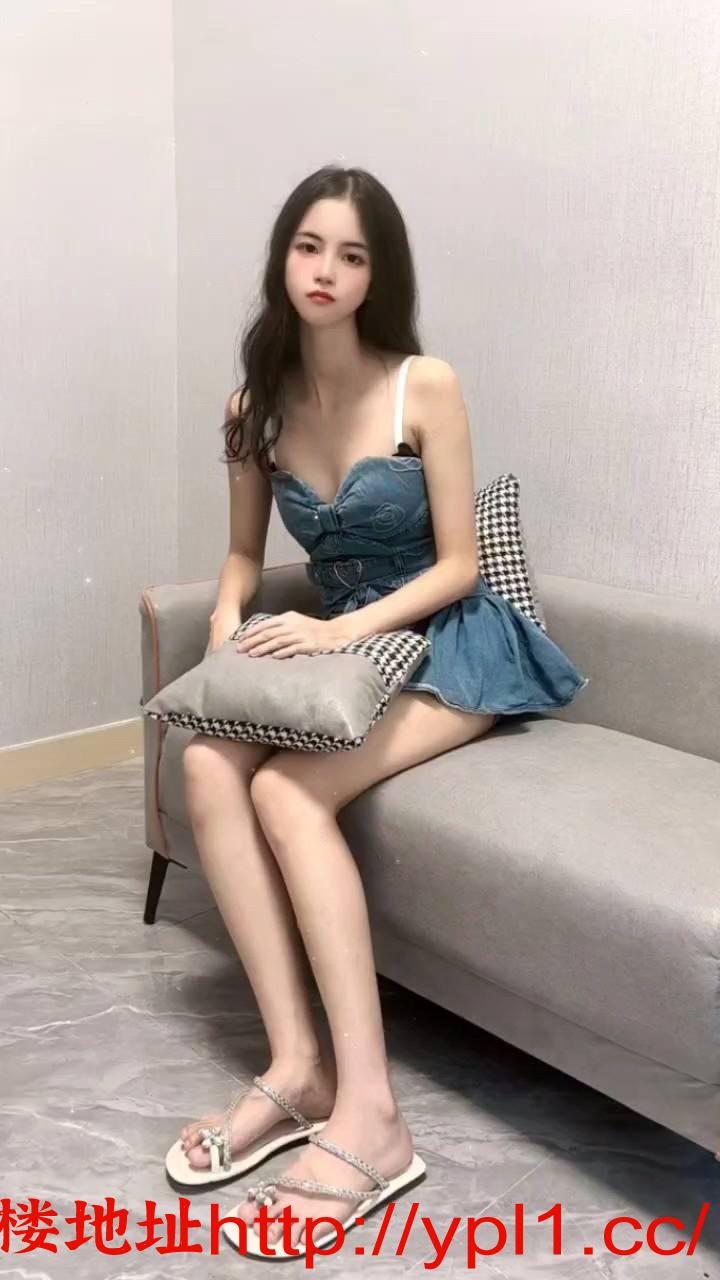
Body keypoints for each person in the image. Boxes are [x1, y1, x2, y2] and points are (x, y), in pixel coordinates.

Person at [169, 165, 589, 1256]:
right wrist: (227, 620)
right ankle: (297, 1066)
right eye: (310, 246)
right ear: (284, 256)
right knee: (207, 760)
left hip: (451, 643)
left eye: (352, 256)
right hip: (345, 650)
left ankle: (375, 1116)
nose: (327, 271)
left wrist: (335, 632)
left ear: (377, 277)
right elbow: (242, 552)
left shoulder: (424, 385)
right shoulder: (252, 407)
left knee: (288, 791)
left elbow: (458, 566)